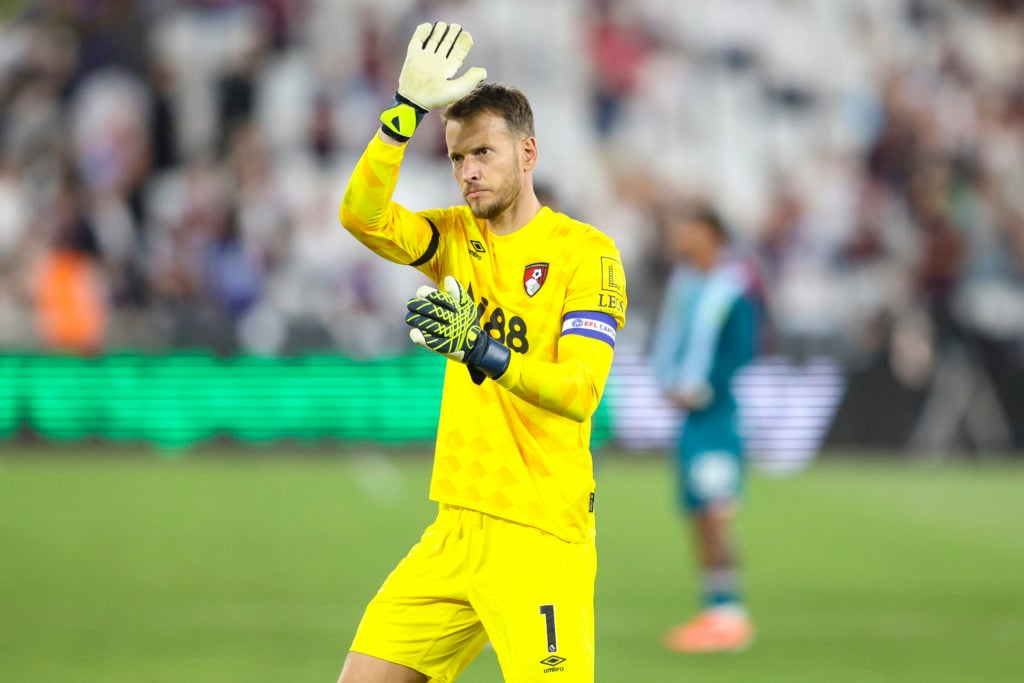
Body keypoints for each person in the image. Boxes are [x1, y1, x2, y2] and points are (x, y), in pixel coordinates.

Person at [336, 22, 627, 683]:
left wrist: (484, 350)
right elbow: (361, 215)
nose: (468, 172)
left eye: (484, 154)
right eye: (457, 157)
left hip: (539, 531)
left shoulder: (587, 253)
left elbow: (580, 390)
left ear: (528, 153)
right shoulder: (452, 237)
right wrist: (403, 113)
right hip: (454, 527)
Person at [650, 203, 760, 653]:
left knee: (716, 511)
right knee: (698, 512)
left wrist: (704, 388)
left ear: (713, 235)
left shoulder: (734, 288)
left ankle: (731, 615)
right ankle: (715, 608)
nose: (681, 238)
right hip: (690, 418)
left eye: (690, 230)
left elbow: (744, 348)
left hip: (716, 415)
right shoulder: (685, 283)